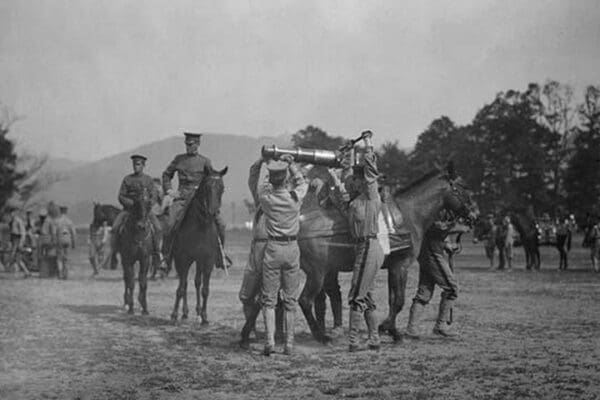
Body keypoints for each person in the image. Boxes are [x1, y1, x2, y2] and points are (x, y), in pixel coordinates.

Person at [257, 153, 308, 356]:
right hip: (292, 248)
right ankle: (289, 344)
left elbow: (260, 186)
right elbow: (301, 182)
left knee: (269, 299)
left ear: (271, 179)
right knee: (290, 300)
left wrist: (266, 164)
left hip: (273, 249)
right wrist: (291, 164)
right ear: (286, 179)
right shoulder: (295, 197)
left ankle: (269, 341)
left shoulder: (266, 199)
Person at [340, 131, 384, 352]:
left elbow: (371, 171)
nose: (353, 181)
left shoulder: (371, 195)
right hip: (363, 248)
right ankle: (374, 338)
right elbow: (345, 175)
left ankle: (354, 341)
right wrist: (348, 152)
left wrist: (367, 145)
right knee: (366, 295)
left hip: (369, 246)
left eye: (357, 178)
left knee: (355, 294)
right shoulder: (355, 198)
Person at [162, 132, 229, 268]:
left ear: (198, 144)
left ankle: (220, 255)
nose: (188, 147)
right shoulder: (178, 159)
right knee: (169, 223)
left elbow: (212, 178)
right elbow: (166, 175)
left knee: (221, 224)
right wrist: (169, 191)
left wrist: (215, 192)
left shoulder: (205, 161)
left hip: (200, 200)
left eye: (191, 144)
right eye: (187, 144)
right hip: (182, 198)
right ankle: (165, 257)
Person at [406, 210, 467, 338]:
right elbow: (437, 228)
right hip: (431, 253)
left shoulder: (436, 206)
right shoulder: (433, 208)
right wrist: (459, 227)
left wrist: (447, 246)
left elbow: (437, 234)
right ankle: (440, 326)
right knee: (452, 289)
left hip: (429, 251)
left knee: (424, 293)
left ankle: (412, 329)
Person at [238, 158, 269, 349]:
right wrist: (260, 161)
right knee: (247, 295)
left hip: (271, 249)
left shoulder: (283, 198)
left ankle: (270, 333)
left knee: (272, 296)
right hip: (257, 248)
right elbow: (253, 179)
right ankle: (251, 329)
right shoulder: (262, 199)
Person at [111, 155, 163, 266]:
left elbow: (153, 195)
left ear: (143, 166)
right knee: (115, 227)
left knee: (158, 228)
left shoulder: (148, 180)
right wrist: (132, 203)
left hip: (145, 212)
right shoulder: (127, 179)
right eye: (134, 164)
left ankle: (157, 254)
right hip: (129, 211)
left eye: (138, 164)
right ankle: (114, 254)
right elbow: (121, 196)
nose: (136, 167)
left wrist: (149, 203)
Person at [7, 205, 30, 277]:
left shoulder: (19, 221)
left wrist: (21, 243)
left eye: (13, 212)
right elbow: (11, 232)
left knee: (15, 257)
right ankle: (26, 272)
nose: (11, 214)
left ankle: (17, 273)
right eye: (10, 213)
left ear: (15, 213)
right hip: (13, 239)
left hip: (18, 239)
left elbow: (23, 233)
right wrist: (10, 242)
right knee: (17, 258)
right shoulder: (11, 221)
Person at [55, 206, 76, 278]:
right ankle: (66, 273)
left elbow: (55, 232)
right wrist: (74, 243)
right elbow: (73, 233)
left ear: (60, 211)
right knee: (66, 257)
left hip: (60, 239)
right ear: (66, 211)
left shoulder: (57, 221)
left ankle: (60, 273)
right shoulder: (69, 221)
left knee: (59, 258)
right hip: (68, 239)